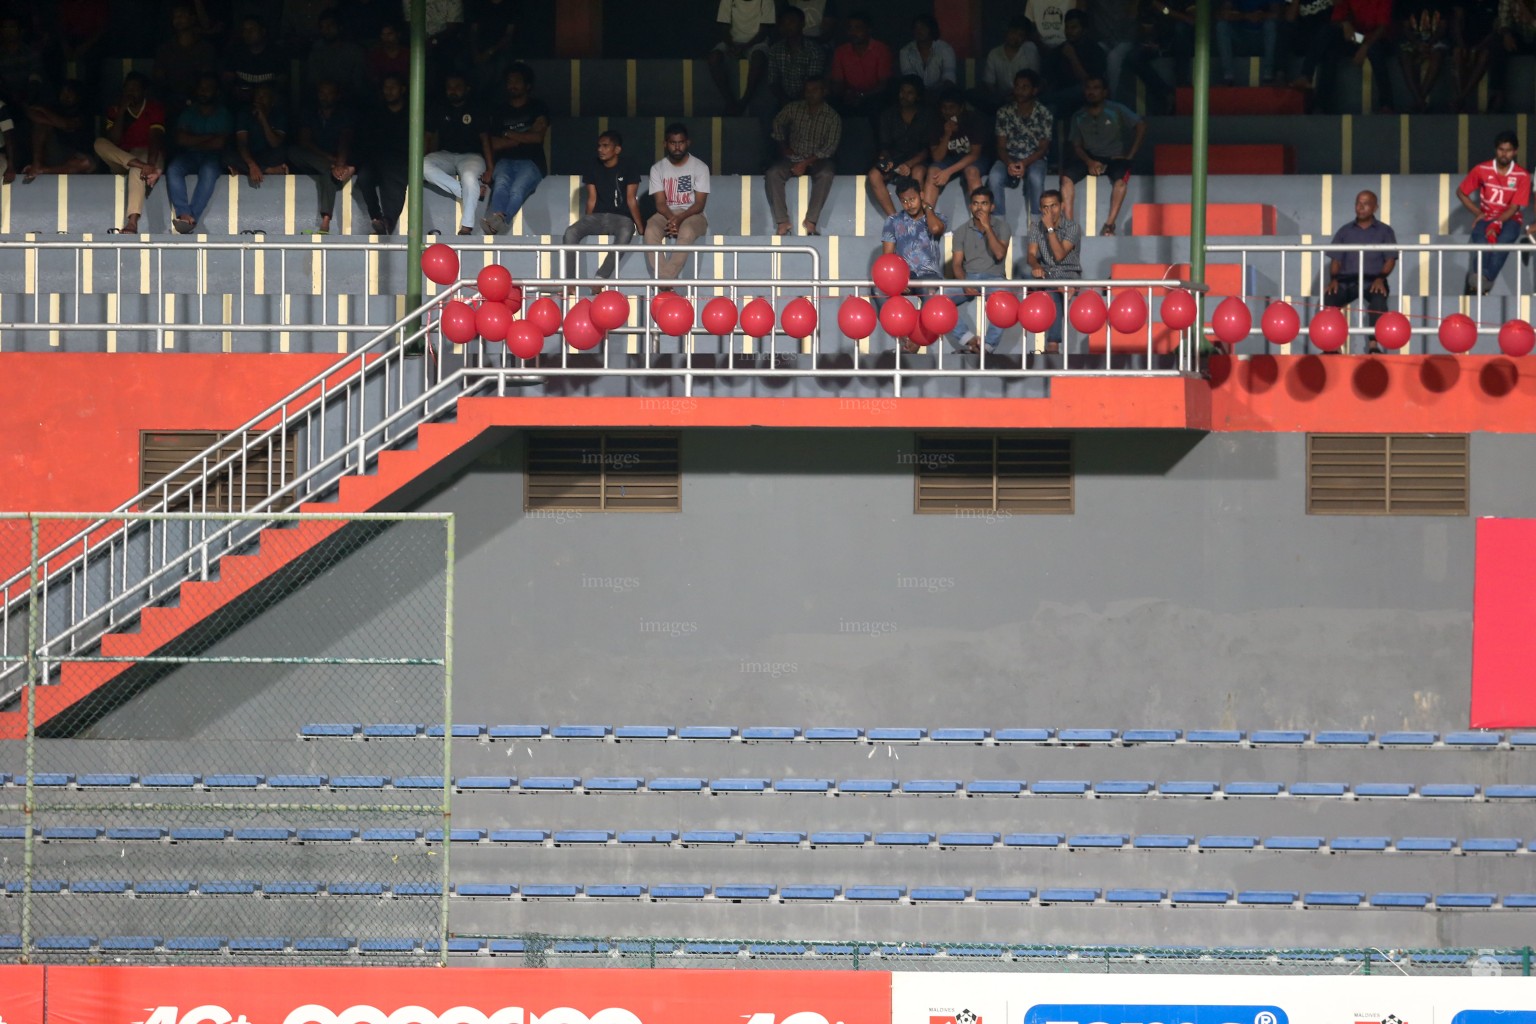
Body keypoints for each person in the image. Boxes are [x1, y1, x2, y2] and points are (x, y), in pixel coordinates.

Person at [1060, 75, 1144, 236]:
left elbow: (1141, 125)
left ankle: (1109, 225)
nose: (1091, 92)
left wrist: (1130, 154)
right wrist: (1089, 162)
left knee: (1121, 184)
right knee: (1066, 179)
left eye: (1096, 88)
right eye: (1088, 88)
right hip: (1089, 157)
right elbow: (1076, 145)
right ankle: (1069, 226)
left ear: (1105, 92)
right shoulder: (1079, 115)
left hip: (1115, 157)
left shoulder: (1116, 109)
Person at [562, 130, 646, 284]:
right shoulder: (592, 165)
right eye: (599, 146)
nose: (600, 149)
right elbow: (591, 199)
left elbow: (631, 199)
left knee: (627, 229)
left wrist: (641, 228)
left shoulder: (629, 165)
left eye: (606, 146)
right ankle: (570, 281)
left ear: (617, 149)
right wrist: (586, 222)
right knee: (571, 232)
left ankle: (601, 277)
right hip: (598, 217)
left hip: (621, 218)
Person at [880, 176, 948, 353]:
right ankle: (903, 337)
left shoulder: (937, 218)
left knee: (929, 293)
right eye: (904, 201)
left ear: (922, 195)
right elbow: (887, 255)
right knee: (878, 291)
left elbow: (935, 229)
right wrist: (896, 281)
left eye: (912, 199)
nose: (909, 204)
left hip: (929, 274)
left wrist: (928, 208)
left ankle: (916, 341)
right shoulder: (893, 221)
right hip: (904, 275)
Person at [765, 77, 842, 237]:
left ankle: (811, 222)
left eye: (815, 90)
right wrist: (784, 148)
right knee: (773, 173)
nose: (810, 94)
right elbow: (777, 123)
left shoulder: (832, 116)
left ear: (824, 92)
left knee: (826, 174)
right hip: (793, 158)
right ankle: (783, 222)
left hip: (818, 160)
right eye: (807, 90)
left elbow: (830, 147)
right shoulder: (794, 108)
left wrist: (806, 163)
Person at [1458, 129, 1530, 295]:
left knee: (1502, 242)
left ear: (1515, 151)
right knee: (1480, 243)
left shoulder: (1522, 175)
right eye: (1501, 149)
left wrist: (1497, 222)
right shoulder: (1481, 169)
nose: (1504, 154)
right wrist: (1478, 213)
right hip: (1487, 217)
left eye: (1509, 150)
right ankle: (1480, 281)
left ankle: (1482, 282)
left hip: (1511, 219)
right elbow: (1461, 192)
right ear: (1496, 150)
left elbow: (1514, 207)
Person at [480, 62, 548, 235]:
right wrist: (524, 137)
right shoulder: (499, 110)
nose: (513, 85)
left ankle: (499, 221)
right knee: (501, 183)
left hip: (532, 162)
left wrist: (509, 135)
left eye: (517, 81)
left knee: (517, 189)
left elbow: (538, 137)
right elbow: (493, 142)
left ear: (528, 85)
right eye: (510, 81)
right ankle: (498, 221)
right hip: (504, 160)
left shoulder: (538, 107)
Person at [93, 72, 166, 234]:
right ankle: (139, 165)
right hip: (125, 158)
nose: (131, 92)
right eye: (128, 88)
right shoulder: (115, 109)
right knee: (99, 143)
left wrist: (150, 164)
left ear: (144, 91)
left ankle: (132, 223)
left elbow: (155, 138)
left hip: (148, 155)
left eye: (135, 89)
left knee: (137, 169)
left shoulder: (153, 108)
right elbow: (114, 140)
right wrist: (121, 113)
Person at [1324, 189, 1397, 351]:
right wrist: (1333, 279)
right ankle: (1331, 346)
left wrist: (1381, 278)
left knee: (1379, 300)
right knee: (1329, 298)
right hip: (1346, 282)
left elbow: (1390, 259)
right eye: (1358, 203)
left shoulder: (1385, 231)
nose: (1360, 207)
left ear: (1375, 208)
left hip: (1373, 281)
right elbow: (1336, 259)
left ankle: (1373, 345)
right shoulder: (1344, 231)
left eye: (1365, 204)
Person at [949, 186, 1014, 355]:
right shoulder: (961, 230)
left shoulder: (1002, 227)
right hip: (970, 277)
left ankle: (987, 347)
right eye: (976, 204)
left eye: (984, 204)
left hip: (995, 278)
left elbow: (1000, 254)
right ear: (970, 206)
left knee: (1005, 303)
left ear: (992, 207)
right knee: (938, 299)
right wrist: (964, 283)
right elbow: (956, 264)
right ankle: (969, 340)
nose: (979, 208)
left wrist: (987, 227)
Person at [424, 71, 490, 235]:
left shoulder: (476, 107)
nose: (453, 90)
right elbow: (428, 136)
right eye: (449, 87)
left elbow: (485, 139)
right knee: (420, 165)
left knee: (469, 177)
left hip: (472, 156)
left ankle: (467, 227)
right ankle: (468, 192)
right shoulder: (439, 107)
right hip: (446, 155)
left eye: (457, 87)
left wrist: (491, 168)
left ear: (467, 88)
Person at [166, 72, 233, 234]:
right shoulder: (189, 112)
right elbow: (181, 139)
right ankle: (184, 213)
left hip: (213, 157)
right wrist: (209, 138)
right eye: (201, 88)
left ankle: (190, 218)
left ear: (216, 92)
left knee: (208, 171)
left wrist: (194, 139)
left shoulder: (223, 113)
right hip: (190, 155)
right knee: (173, 168)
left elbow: (220, 143)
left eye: (208, 89)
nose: (203, 91)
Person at [644, 122, 711, 281]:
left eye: (680, 142)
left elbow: (699, 204)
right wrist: (672, 219)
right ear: (665, 144)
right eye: (673, 143)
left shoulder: (700, 167)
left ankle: (665, 280)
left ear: (688, 143)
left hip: (693, 215)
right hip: (666, 212)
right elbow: (660, 203)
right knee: (650, 230)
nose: (677, 147)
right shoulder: (657, 168)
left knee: (687, 231)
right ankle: (666, 280)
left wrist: (679, 220)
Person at [289, 79, 357, 235]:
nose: (325, 97)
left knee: (328, 174)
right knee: (293, 152)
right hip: (316, 158)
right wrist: (330, 161)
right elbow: (304, 142)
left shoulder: (344, 114)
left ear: (337, 95)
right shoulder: (309, 112)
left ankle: (325, 222)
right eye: (322, 93)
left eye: (329, 93)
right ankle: (331, 168)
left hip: (337, 159)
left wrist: (339, 162)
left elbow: (345, 141)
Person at [988, 69, 1053, 222]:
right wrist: (1010, 163)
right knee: (994, 176)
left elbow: (1043, 148)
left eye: (1025, 87)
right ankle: (999, 223)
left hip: (1035, 158)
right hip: (1008, 158)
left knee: (1035, 177)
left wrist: (1024, 163)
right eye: (1017, 86)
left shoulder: (1044, 113)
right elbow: (1001, 146)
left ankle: (1038, 224)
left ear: (1034, 90)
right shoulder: (1004, 112)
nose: (1020, 91)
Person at [867, 75, 935, 219]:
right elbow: (884, 146)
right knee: (874, 175)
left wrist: (908, 164)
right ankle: (895, 220)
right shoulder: (888, 115)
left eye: (909, 93)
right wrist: (887, 160)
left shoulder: (926, 116)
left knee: (918, 172)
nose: (904, 96)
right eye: (902, 91)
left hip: (917, 160)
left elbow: (927, 150)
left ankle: (917, 219)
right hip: (895, 159)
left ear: (917, 96)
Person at [1025, 188, 1081, 356]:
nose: (1050, 211)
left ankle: (1053, 345)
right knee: (1048, 288)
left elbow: (1059, 255)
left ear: (1062, 206)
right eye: (1045, 207)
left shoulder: (1073, 227)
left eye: (1053, 206)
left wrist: (1050, 229)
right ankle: (1053, 346)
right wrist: (1035, 265)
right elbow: (1031, 254)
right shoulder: (1036, 226)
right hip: (1047, 273)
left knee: (1052, 291)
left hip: (1068, 273)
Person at [1317, 0, 1397, 114]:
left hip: (1380, 38)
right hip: (1357, 37)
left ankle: (1387, 104)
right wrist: (1344, 23)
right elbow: (1335, 20)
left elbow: (1383, 27)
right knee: (1331, 51)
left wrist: (1365, 47)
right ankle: (1322, 105)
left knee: (1375, 50)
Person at [356, 73, 410, 234]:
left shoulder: (411, 112)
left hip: (401, 160)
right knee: (364, 176)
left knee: (393, 176)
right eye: (386, 87)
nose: (389, 91)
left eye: (393, 87)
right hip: (378, 159)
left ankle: (388, 221)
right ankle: (377, 218)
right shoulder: (376, 112)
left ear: (403, 89)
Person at [922, 88, 990, 209]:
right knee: (933, 172)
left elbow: (974, 154)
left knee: (971, 172)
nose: (947, 111)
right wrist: (947, 134)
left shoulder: (973, 119)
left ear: (961, 108)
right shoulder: (937, 122)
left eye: (952, 107)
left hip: (973, 159)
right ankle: (928, 219)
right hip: (950, 159)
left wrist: (948, 172)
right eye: (944, 107)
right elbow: (937, 157)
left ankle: (982, 222)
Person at [708, 0, 777, 116]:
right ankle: (730, 102)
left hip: (756, 42)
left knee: (758, 57)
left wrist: (744, 47)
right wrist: (732, 46)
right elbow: (724, 27)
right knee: (713, 57)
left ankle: (744, 101)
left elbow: (764, 31)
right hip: (732, 42)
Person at [23, 80, 95, 181]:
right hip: (57, 152)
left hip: (77, 154)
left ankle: (43, 170)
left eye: (69, 92)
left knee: (85, 163)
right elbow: (32, 114)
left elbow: (68, 125)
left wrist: (45, 111)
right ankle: (37, 164)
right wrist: (57, 122)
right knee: (41, 126)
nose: (66, 96)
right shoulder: (55, 107)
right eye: (63, 92)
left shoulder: (84, 111)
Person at [153, 5, 217, 114]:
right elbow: (159, 77)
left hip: (198, 102)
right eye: (175, 16)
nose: (178, 19)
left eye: (182, 15)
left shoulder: (205, 48)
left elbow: (208, 79)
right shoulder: (165, 49)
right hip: (170, 101)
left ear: (192, 19)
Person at [829, 10, 893, 118]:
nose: (853, 32)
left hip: (873, 96)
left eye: (858, 28)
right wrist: (845, 94)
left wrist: (862, 95)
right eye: (850, 28)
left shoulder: (881, 49)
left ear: (869, 29)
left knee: (879, 103)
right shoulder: (841, 51)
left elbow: (884, 84)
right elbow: (838, 82)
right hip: (849, 95)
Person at [766, 5, 828, 110]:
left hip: (809, 101)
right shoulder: (775, 50)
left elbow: (813, 83)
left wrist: (795, 104)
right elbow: (773, 81)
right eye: (783, 23)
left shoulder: (814, 50)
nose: (787, 26)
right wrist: (785, 101)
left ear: (802, 24)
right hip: (783, 101)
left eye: (792, 21)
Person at [229, 82, 288, 188]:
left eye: (264, 95)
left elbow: (274, 143)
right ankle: (268, 170)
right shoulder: (245, 113)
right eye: (257, 95)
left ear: (272, 100)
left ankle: (245, 170)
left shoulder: (279, 115)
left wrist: (263, 120)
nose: (259, 99)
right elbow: (242, 144)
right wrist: (252, 165)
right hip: (248, 156)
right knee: (227, 157)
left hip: (267, 156)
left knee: (282, 153)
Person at [305, 8, 370, 103]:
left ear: (340, 27)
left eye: (330, 26)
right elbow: (313, 82)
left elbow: (359, 84)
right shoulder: (316, 53)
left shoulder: (355, 52)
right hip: (323, 101)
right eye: (322, 27)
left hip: (349, 101)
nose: (326, 30)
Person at [977, 17, 1042, 112]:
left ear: (1025, 39)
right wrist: (1000, 97)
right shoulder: (994, 53)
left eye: (1020, 35)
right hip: (1001, 99)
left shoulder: (1030, 52)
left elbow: (1034, 82)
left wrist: (1017, 96)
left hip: (1025, 98)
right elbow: (989, 83)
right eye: (1013, 32)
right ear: (1007, 32)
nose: (1015, 37)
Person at [224, 16, 287, 108]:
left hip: (268, 104)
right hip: (241, 103)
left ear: (263, 31)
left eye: (252, 29)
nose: (247, 33)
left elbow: (283, 82)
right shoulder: (235, 52)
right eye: (245, 30)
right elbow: (227, 79)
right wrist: (235, 90)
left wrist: (268, 94)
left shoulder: (276, 53)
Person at [1216, 0, 1284, 85]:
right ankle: (1228, 75)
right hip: (1241, 38)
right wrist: (1246, 16)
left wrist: (1261, 15)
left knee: (1270, 25)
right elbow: (1224, 14)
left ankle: (1268, 75)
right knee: (1222, 26)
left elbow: (1277, 14)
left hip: (1262, 39)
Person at [1398, 2, 1449, 112]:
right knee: (1404, 56)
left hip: (1435, 40)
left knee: (1437, 56)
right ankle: (1420, 101)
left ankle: (1418, 101)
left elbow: (1443, 27)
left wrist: (1429, 43)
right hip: (1413, 41)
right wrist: (1418, 44)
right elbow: (1405, 28)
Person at [1453, 1, 1503, 111]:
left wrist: (1477, 48)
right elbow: (1457, 23)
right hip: (1466, 42)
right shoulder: (1465, 4)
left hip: (1484, 43)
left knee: (1485, 56)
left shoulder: (1493, 4)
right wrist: (1462, 45)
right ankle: (1461, 97)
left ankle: (1461, 97)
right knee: (1458, 53)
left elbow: (1494, 30)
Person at [898, 14, 957, 90]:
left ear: (932, 29)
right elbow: (910, 80)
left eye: (923, 27)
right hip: (915, 95)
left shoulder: (945, 49)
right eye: (916, 28)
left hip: (940, 94)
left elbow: (949, 78)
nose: (919, 31)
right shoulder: (905, 51)